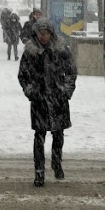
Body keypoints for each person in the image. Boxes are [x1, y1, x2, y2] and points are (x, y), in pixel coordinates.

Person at [18, 17, 77, 187]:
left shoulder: (61, 50)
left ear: (51, 34)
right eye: (40, 33)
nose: (42, 37)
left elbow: (71, 71)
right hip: (39, 100)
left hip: (58, 99)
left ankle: (57, 163)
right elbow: (23, 75)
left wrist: (66, 90)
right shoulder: (30, 53)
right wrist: (31, 91)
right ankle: (39, 171)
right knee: (39, 136)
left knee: (58, 134)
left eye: (45, 33)